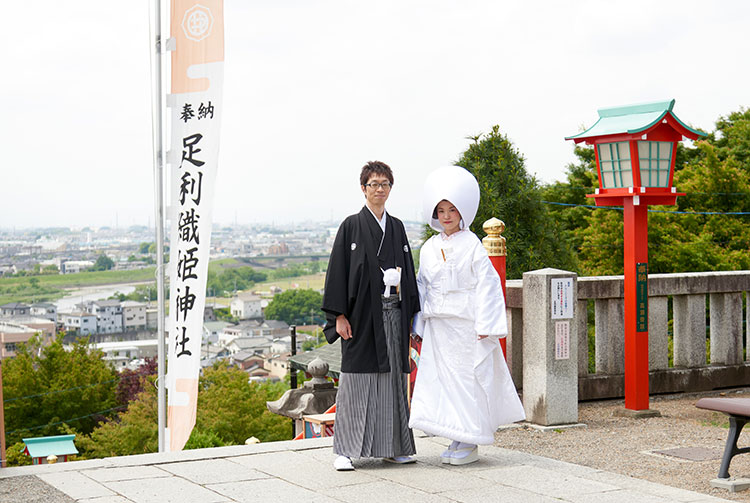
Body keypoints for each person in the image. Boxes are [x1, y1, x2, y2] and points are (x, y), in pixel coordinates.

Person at [409, 165, 525, 465]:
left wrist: (486, 324)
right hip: (439, 325)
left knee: (467, 380)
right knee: (444, 382)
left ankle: (471, 439)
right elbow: (422, 284)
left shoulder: (473, 244)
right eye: (441, 210)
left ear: (462, 212)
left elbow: (487, 284)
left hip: (465, 324)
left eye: (452, 209)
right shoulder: (430, 247)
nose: (446, 216)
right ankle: (456, 435)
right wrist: (419, 321)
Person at [321, 160, 421, 471]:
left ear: (391, 189)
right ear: (363, 189)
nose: (379, 189)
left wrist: (403, 293)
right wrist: (338, 315)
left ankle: (394, 447)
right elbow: (338, 271)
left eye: (385, 184)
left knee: (393, 380)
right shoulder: (351, 225)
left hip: (392, 314)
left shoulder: (397, 227)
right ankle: (345, 450)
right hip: (361, 317)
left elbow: (409, 273)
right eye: (374, 184)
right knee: (356, 380)